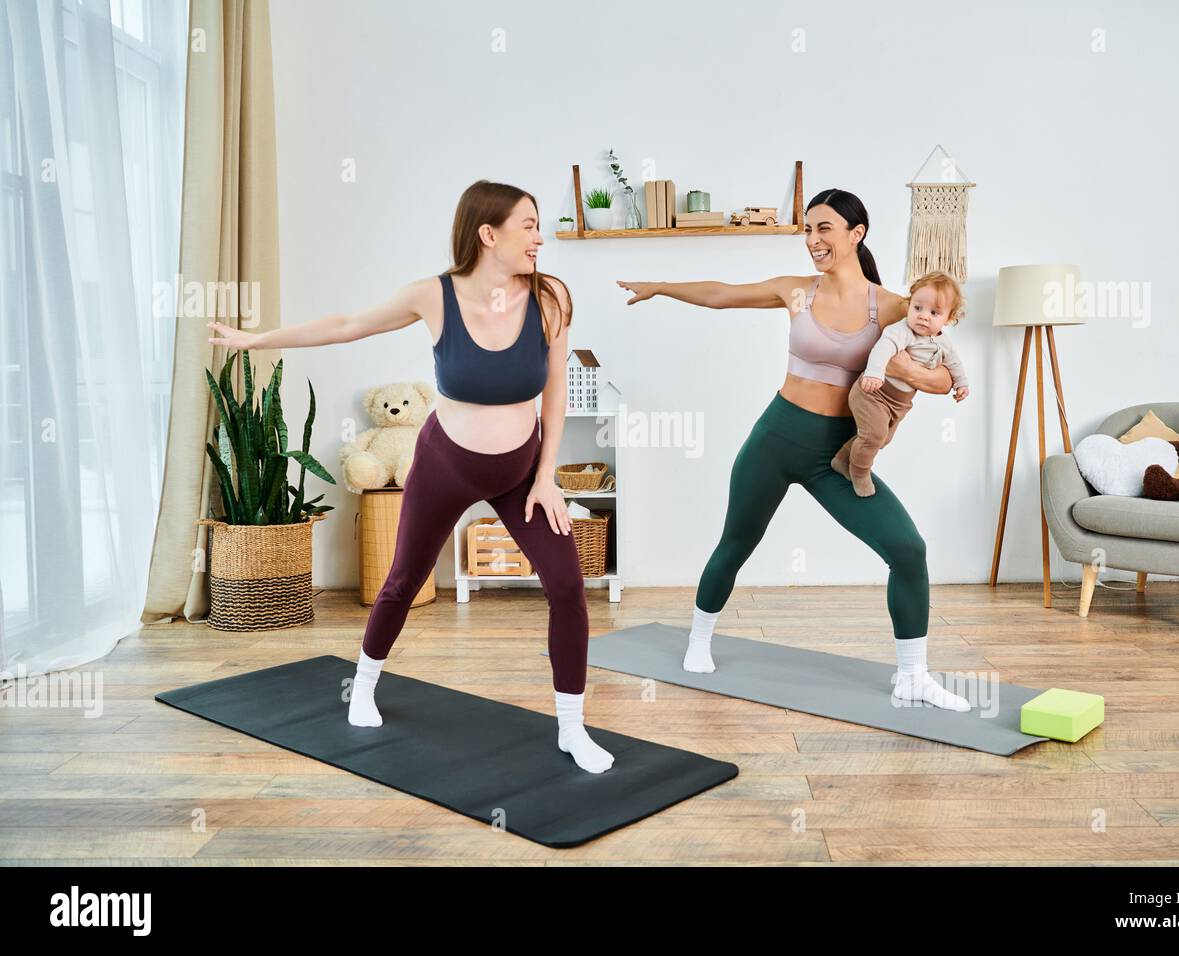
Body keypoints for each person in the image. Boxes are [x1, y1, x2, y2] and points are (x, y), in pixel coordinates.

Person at [208, 179, 616, 771]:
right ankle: (365, 686)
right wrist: (259, 340)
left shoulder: (550, 297)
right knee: (402, 579)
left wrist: (548, 472)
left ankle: (572, 728)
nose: (539, 236)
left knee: (568, 585)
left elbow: (555, 390)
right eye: (528, 225)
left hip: (521, 471)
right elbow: (348, 324)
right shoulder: (434, 296)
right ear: (488, 233)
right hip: (445, 465)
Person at [616, 188, 971, 712]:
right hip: (777, 438)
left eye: (824, 228)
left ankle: (913, 677)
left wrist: (901, 367)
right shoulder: (797, 292)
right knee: (736, 542)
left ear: (857, 234)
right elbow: (723, 293)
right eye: (807, 229)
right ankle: (698, 641)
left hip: (837, 455)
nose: (813, 240)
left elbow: (942, 377)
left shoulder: (893, 306)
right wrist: (661, 287)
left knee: (907, 549)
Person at [832, 269, 971, 497]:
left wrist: (961, 384)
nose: (923, 316)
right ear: (909, 304)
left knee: (882, 439)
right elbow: (883, 348)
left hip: (900, 403)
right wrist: (874, 373)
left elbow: (954, 363)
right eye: (917, 307)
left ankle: (842, 459)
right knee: (874, 436)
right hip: (873, 393)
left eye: (934, 312)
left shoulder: (944, 343)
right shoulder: (902, 331)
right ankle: (859, 471)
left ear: (949, 318)